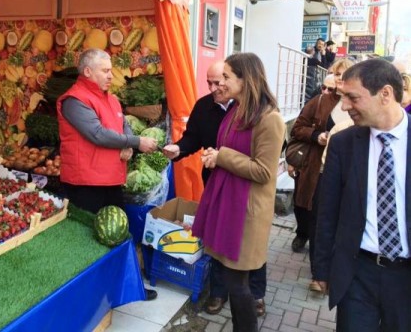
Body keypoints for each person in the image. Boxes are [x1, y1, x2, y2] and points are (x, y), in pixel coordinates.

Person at [162, 61, 268, 317]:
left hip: (244, 186)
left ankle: (256, 294)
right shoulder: (204, 106)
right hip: (214, 182)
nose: (213, 88)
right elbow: (193, 138)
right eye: (208, 82)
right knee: (217, 238)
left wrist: (222, 157)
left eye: (219, 81)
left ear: (236, 80)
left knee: (249, 241)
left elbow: (263, 162)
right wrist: (179, 148)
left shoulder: (252, 111)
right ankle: (218, 292)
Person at [314, 58, 411, 331]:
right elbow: (328, 211)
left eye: (352, 98)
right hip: (358, 273)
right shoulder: (343, 144)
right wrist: (322, 269)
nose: (344, 106)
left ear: (385, 94)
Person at [192, 53, 285, 332]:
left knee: (238, 284)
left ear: (246, 80)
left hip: (246, 211)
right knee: (233, 281)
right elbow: (227, 150)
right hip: (227, 203)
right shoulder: (235, 110)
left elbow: (263, 172)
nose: (222, 82)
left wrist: (222, 157)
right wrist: (215, 155)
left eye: (228, 77)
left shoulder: (270, 119)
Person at [56, 48, 159, 300]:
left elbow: (121, 125)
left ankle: (125, 289)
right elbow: (97, 134)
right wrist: (135, 141)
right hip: (85, 184)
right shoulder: (74, 100)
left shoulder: (111, 99)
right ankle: (88, 296)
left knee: (117, 235)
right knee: (87, 241)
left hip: (111, 180)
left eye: (111, 69)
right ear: (88, 72)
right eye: (105, 70)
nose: (111, 75)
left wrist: (127, 144)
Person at [290, 59, 353, 261]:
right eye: (336, 74)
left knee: (334, 218)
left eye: (344, 74)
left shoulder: (359, 103)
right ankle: (307, 244)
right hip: (318, 167)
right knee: (310, 211)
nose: (339, 78)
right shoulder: (320, 101)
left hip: (347, 170)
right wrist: (317, 135)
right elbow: (297, 128)